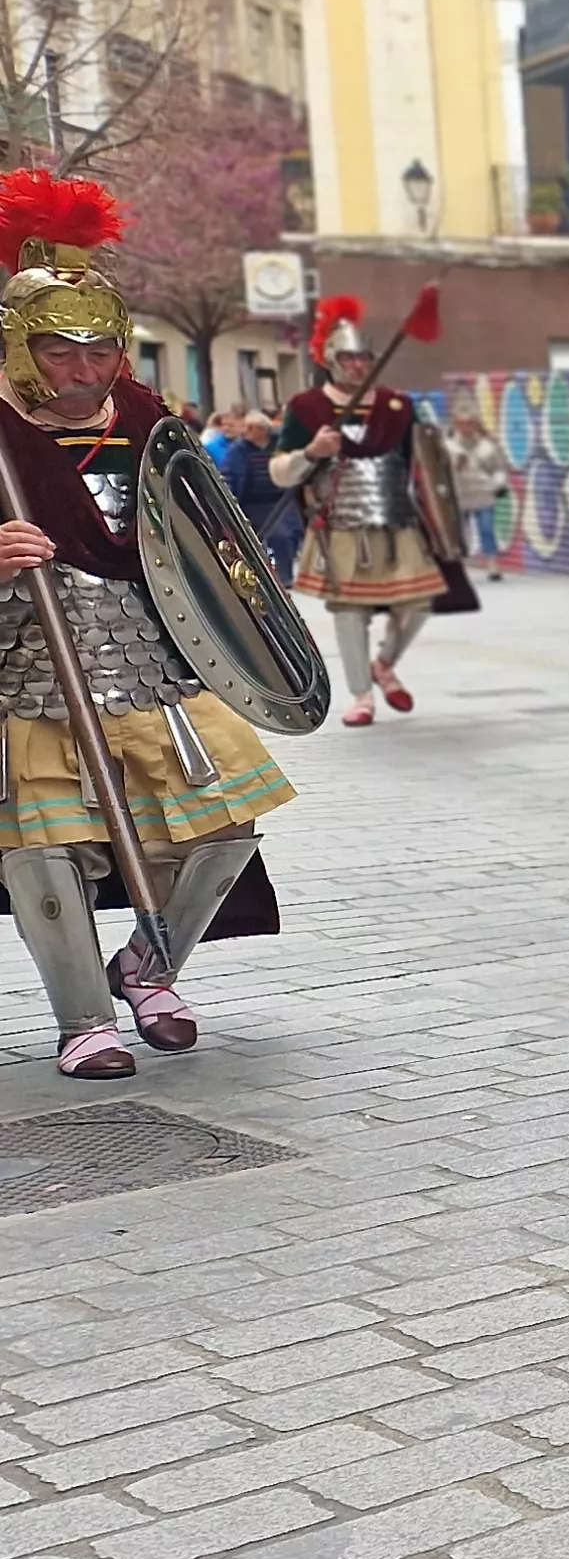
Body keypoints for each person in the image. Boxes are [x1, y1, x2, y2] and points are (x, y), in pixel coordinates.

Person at [0, 168, 297, 1080]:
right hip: (29, 665)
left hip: (156, 662)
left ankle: (151, 965)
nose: (84, 371)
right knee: (44, 849)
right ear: (21, 349)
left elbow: (208, 538)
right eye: (60, 352)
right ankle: (83, 1018)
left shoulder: (148, 421)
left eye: (98, 351)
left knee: (227, 830)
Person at [271, 298, 453, 727]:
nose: (357, 365)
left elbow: (423, 464)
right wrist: (312, 452)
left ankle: (385, 663)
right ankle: (361, 695)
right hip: (340, 527)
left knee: (421, 603)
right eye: (348, 357)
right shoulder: (308, 408)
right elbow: (281, 471)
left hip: (396, 522)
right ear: (332, 360)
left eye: (363, 358)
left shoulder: (397, 407)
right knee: (350, 614)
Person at [225, 408, 297, 582]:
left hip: (279, 501)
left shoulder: (280, 445)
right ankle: (260, 577)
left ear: (263, 430)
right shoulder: (238, 449)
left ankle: (285, 578)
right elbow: (229, 474)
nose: (246, 432)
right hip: (250, 502)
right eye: (246, 427)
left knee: (283, 536)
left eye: (251, 428)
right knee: (252, 539)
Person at [445, 411, 513, 580]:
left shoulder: (487, 446)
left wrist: (497, 484)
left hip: (483, 494)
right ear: (456, 426)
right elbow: (439, 472)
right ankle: (458, 566)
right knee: (459, 534)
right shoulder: (448, 447)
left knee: (486, 529)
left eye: (470, 422)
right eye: (462, 423)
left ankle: (492, 564)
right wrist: (455, 466)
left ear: (475, 425)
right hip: (459, 496)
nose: (466, 427)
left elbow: (498, 468)